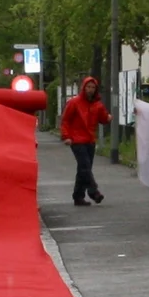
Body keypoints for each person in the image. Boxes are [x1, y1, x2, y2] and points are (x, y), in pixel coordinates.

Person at [60, 75, 111, 207]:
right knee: (85, 167)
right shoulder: (74, 103)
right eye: (88, 87)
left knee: (83, 169)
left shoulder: (97, 105)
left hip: (89, 140)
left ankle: (78, 196)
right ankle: (94, 191)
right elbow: (66, 120)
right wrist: (66, 136)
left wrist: (108, 118)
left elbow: (103, 119)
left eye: (93, 87)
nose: (90, 90)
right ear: (84, 88)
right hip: (77, 140)